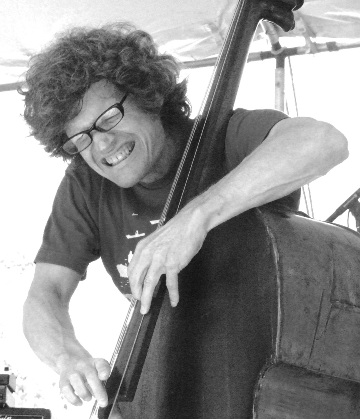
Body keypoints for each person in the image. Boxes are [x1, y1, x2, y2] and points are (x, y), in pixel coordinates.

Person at [21, 22, 348, 418]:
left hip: (256, 390)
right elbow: (45, 294)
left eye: (108, 119)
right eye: (81, 139)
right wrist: (66, 357)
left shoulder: (226, 137)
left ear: (148, 94)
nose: (101, 145)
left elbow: (323, 142)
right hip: (167, 387)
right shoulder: (86, 186)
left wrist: (195, 217)